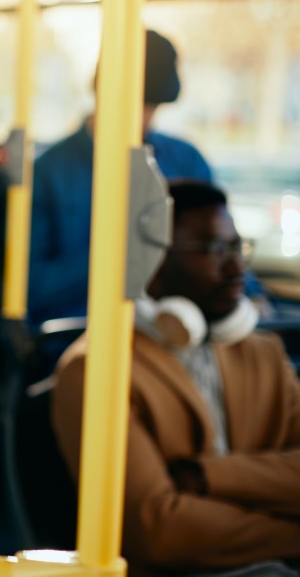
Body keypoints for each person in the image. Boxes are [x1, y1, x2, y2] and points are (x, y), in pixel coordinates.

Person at [51, 180, 300, 577]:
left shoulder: (263, 352)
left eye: (238, 247)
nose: (237, 267)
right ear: (153, 261)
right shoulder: (94, 370)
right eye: (216, 250)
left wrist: (206, 478)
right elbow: (160, 531)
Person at [27, 29, 214, 331]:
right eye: (136, 103)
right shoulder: (48, 173)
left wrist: (250, 296)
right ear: (101, 91)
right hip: (83, 328)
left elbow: (219, 245)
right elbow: (33, 288)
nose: (144, 118)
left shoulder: (186, 160)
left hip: (179, 326)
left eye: (153, 107)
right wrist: (120, 251)